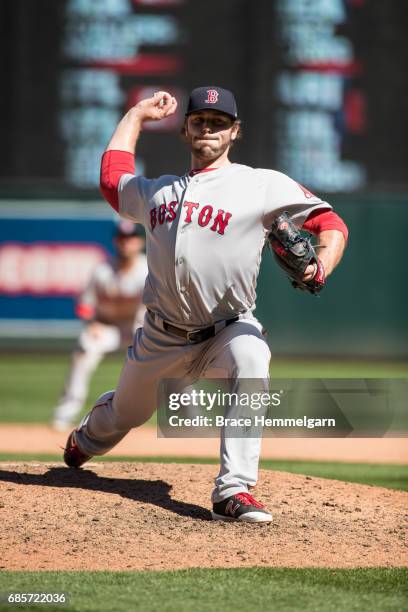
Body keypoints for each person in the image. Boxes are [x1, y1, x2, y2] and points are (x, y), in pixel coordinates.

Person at [63, 86, 348, 522]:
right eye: (200, 121)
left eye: (218, 122)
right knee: (123, 415)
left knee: (253, 355)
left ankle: (232, 490)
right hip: (161, 336)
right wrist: (137, 115)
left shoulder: (262, 184)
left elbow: (329, 223)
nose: (208, 129)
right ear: (185, 130)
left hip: (227, 329)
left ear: (235, 131)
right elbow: (111, 179)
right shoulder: (158, 191)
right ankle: (86, 438)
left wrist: (319, 267)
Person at [52, 221, 147, 431]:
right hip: (107, 327)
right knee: (85, 347)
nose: (126, 244)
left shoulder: (147, 269)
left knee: (168, 357)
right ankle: (65, 414)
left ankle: (185, 416)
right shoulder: (103, 269)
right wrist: (91, 322)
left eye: (131, 239)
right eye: (122, 239)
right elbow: (84, 304)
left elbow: (150, 309)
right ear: (116, 241)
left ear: (140, 242)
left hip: (139, 327)